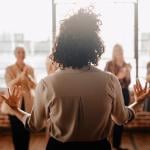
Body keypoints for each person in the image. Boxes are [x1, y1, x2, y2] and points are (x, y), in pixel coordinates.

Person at [0, 8, 150, 150]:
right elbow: (121, 118)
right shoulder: (110, 81)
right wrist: (138, 102)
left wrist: (15, 109)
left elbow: (35, 125)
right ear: (94, 46)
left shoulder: (47, 84)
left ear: (60, 47)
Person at [4, 46, 36, 150]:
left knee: (26, 129)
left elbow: (34, 86)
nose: (21, 54)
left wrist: (29, 78)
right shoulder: (9, 69)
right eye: (19, 52)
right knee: (16, 131)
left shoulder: (30, 69)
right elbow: (9, 84)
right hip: (13, 104)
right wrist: (20, 76)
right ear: (15, 54)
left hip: (27, 104)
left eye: (23, 52)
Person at [105, 44, 131, 150]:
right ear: (113, 52)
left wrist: (127, 74)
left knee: (120, 120)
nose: (118, 53)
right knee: (108, 119)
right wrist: (119, 76)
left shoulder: (126, 64)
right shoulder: (109, 64)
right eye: (116, 51)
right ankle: (107, 144)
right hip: (112, 93)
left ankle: (116, 145)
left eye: (120, 50)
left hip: (124, 93)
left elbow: (128, 82)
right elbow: (106, 81)